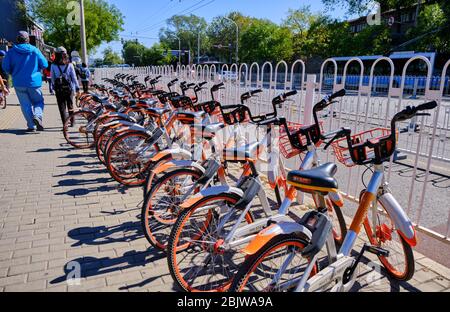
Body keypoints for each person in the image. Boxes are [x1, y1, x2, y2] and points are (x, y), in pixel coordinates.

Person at [2, 31, 48, 131]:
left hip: (19, 82)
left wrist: (12, 72)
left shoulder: (11, 52)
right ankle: (38, 116)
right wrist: (37, 68)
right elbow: (45, 64)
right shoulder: (35, 50)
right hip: (34, 82)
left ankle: (31, 126)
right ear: (28, 39)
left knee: (25, 104)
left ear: (17, 39)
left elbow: (5, 67)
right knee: (38, 101)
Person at [51, 46, 79, 128]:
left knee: (62, 107)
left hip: (59, 89)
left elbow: (52, 78)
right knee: (70, 105)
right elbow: (74, 77)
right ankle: (72, 122)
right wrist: (77, 87)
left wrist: (53, 87)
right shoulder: (70, 65)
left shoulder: (53, 65)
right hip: (69, 89)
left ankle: (65, 124)